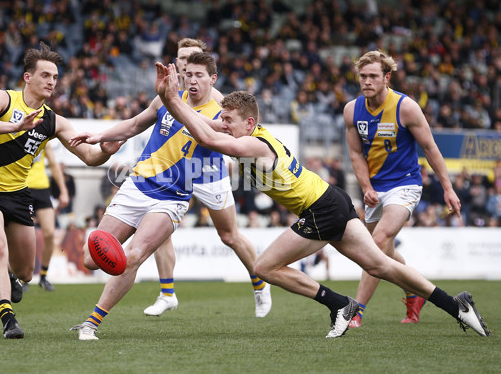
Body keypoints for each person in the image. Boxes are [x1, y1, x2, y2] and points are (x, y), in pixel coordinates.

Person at [153, 57, 489, 338]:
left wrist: (172, 100)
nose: (221, 125)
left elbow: (208, 138)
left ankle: (339, 304)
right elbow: (204, 124)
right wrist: (173, 100)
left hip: (321, 208)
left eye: (227, 120)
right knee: (380, 265)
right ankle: (456, 305)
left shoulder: (254, 143)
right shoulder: (246, 133)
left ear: (250, 122)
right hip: (333, 199)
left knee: (265, 266)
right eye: (221, 119)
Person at [67, 51, 264, 342]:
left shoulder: (220, 112)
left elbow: (217, 130)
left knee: (133, 256)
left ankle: (91, 322)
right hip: (137, 185)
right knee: (89, 258)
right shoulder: (165, 99)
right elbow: (134, 124)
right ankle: (166, 292)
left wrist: (172, 100)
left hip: (172, 198)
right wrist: (100, 136)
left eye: (199, 75)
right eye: (188, 73)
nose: (192, 79)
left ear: (212, 79)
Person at [0, 42, 122, 339]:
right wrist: (16, 128)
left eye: (55, 76)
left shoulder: (54, 120)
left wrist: (106, 151)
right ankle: (8, 320)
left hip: (19, 195)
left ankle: (12, 277)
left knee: (26, 273)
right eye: (46, 75)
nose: (52, 81)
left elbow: (89, 157)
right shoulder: (3, 98)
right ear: (28, 77)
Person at [144, 38, 271, 318]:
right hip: (176, 172)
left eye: (192, 58)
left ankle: (259, 283)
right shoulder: (168, 91)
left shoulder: (213, 96)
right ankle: (167, 293)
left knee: (229, 236)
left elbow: (233, 129)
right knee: (159, 226)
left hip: (207, 172)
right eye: (181, 58)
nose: (186, 63)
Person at [343, 50, 462, 327]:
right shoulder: (351, 109)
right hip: (375, 189)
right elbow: (355, 154)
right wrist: (366, 186)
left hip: (405, 184)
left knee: (378, 240)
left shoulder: (405, 107)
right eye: (363, 76)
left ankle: (356, 311)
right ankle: (413, 291)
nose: (367, 81)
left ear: (387, 77)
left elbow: (431, 148)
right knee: (381, 249)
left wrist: (448, 188)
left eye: (373, 76)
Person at [24, 142, 69, 291]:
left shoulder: (43, 138)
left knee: (49, 233)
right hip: (22, 188)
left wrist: (63, 190)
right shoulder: (15, 132)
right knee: (26, 236)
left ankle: (43, 276)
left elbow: (54, 165)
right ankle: (22, 278)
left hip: (42, 189)